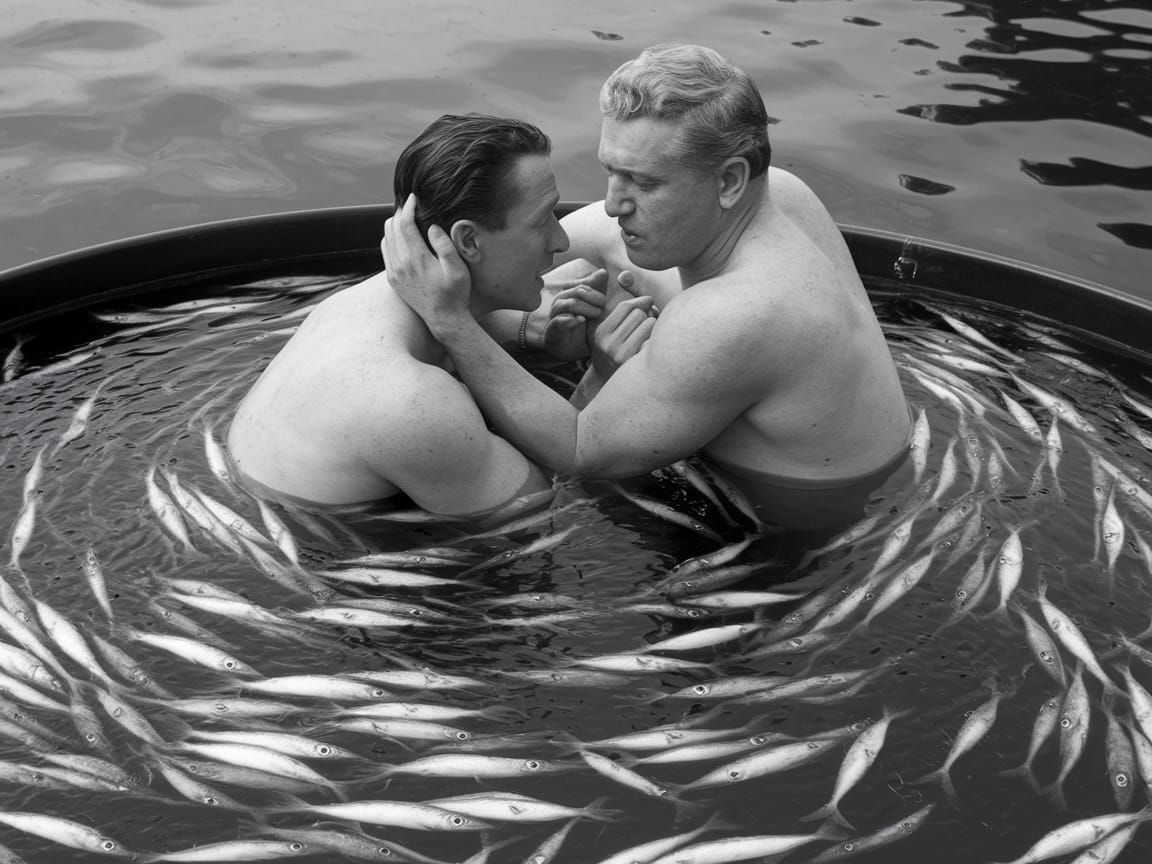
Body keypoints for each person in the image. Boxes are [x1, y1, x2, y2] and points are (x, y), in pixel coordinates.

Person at [382, 44, 912, 531]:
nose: (613, 204)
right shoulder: (780, 194)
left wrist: (450, 321)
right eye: (612, 171)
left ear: (729, 181)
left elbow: (579, 451)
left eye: (644, 182)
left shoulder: (741, 311)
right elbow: (568, 241)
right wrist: (525, 321)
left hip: (791, 536)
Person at [227, 114, 572, 515]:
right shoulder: (414, 402)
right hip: (325, 554)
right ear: (468, 240)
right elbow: (544, 504)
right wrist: (603, 376)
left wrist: (533, 332)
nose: (561, 240)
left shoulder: (349, 305)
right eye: (542, 219)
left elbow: (455, 327)